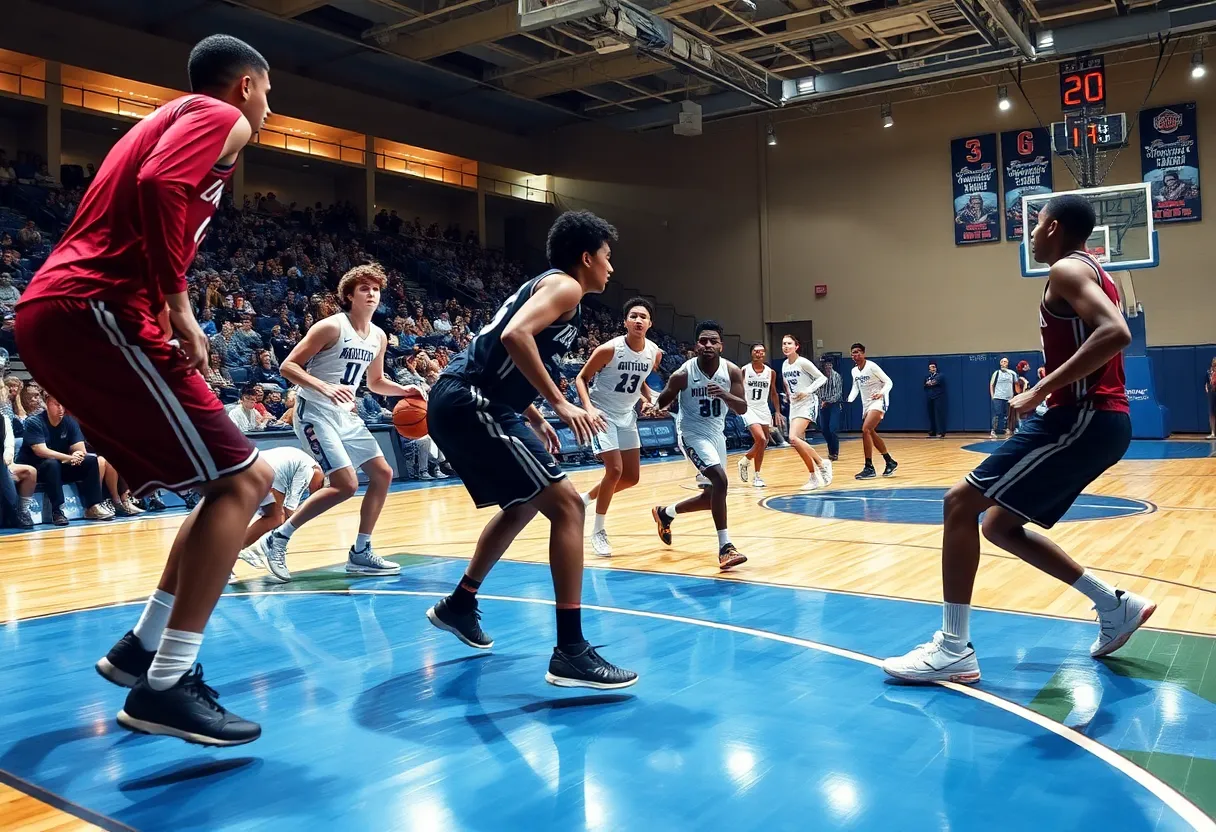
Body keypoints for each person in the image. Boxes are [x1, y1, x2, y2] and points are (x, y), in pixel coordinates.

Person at [19, 34, 274, 746]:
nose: (269, 105)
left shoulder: (164, 118)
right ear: (247, 86)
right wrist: (178, 299)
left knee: (229, 482)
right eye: (269, 90)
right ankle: (166, 685)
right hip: (96, 306)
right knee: (246, 483)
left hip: (66, 310)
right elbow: (163, 186)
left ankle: (143, 648)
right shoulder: (221, 116)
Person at [882, 194, 1154, 684]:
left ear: (1053, 228)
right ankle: (1114, 606)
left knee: (959, 503)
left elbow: (1116, 333)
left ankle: (952, 648)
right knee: (999, 526)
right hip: (1097, 420)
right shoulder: (1093, 271)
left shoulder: (1068, 271)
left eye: (1036, 223)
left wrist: (1041, 389)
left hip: (1083, 417)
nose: (1031, 232)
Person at [424, 210, 638, 689]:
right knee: (567, 507)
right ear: (587, 257)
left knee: (522, 505)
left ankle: (460, 604)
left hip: (474, 400)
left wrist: (532, 413)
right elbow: (512, 336)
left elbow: (511, 353)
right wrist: (559, 404)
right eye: (607, 257)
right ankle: (570, 650)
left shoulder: (555, 288)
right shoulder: (565, 287)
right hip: (470, 400)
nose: (611, 267)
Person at [241, 264, 424, 581]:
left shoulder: (378, 336)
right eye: (364, 288)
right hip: (314, 411)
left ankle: (361, 552)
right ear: (349, 295)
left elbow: (376, 381)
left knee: (382, 473)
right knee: (345, 485)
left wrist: (402, 390)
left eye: (376, 289)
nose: (371, 294)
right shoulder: (330, 327)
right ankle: (275, 540)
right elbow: (288, 366)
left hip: (345, 413)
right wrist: (324, 386)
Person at [652, 321, 748, 570]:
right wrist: (655, 404)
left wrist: (724, 394)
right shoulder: (683, 373)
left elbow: (742, 408)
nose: (707, 345)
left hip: (717, 435)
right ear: (696, 345)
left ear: (721, 345)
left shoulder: (732, 372)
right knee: (721, 481)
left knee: (710, 497)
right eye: (703, 341)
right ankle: (725, 547)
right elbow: (662, 401)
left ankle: (666, 513)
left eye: (712, 341)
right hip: (691, 434)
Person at [575, 297, 662, 557]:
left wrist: (649, 398)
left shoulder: (653, 352)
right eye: (633, 316)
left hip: (627, 415)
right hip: (603, 414)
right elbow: (581, 378)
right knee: (614, 471)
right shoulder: (609, 349)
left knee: (631, 477)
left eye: (643, 317)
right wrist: (589, 409)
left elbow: (640, 381)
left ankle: (584, 500)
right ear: (625, 321)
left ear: (650, 323)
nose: (638, 320)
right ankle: (598, 531)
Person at [16, 393, 114, 523]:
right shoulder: (34, 422)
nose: (61, 408)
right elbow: (41, 451)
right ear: (47, 404)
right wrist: (68, 458)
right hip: (37, 468)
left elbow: (81, 449)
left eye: (63, 404)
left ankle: (92, 506)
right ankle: (57, 511)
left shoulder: (70, 421)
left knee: (90, 461)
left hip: (60, 466)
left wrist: (76, 455)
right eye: (57, 404)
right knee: (52, 463)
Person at [232, 445, 322, 580]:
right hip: (264, 472)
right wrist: (282, 538)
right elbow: (290, 511)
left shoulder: (302, 461)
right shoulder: (309, 471)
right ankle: (254, 548)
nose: (316, 491)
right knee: (276, 518)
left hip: (252, 466)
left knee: (270, 518)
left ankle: (235, 554)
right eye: (321, 487)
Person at [781, 335, 831, 490]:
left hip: (808, 402)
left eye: (789, 343)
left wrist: (807, 390)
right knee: (797, 443)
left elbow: (822, 378)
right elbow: (787, 383)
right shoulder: (784, 365)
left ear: (796, 346)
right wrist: (789, 395)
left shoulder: (802, 362)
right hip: (795, 404)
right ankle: (813, 477)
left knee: (793, 437)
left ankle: (823, 464)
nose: (786, 346)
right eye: (783, 344)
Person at [737, 343, 784, 489]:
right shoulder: (744, 370)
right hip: (749, 407)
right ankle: (745, 461)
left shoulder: (771, 372)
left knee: (763, 444)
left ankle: (756, 474)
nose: (760, 354)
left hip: (763, 408)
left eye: (762, 352)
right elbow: (736, 388)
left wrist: (777, 411)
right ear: (751, 353)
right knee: (761, 439)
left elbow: (774, 393)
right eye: (756, 351)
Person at [847, 343, 896, 479]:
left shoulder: (872, 366)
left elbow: (889, 382)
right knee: (871, 432)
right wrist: (849, 399)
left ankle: (869, 467)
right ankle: (889, 461)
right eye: (853, 353)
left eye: (858, 352)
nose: (855, 355)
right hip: (866, 404)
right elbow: (855, 388)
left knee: (866, 429)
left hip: (879, 401)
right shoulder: (854, 371)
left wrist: (881, 393)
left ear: (863, 353)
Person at [818, 358, 843, 461]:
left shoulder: (836, 376)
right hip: (822, 405)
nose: (828, 367)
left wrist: (827, 401)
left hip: (834, 405)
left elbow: (838, 394)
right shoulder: (819, 375)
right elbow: (816, 390)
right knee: (824, 429)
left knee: (832, 428)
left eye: (830, 365)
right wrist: (820, 402)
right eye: (826, 365)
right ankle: (830, 451)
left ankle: (835, 452)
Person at [989, 357, 1018, 438]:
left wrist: (1015, 395)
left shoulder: (1012, 373)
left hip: (1009, 397)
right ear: (1000, 363)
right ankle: (994, 430)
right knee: (997, 415)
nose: (1004, 363)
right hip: (998, 397)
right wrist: (993, 396)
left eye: (1006, 361)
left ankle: (1006, 429)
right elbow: (991, 385)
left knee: (1007, 415)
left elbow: (1016, 384)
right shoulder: (996, 373)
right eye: (1003, 361)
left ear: (1008, 363)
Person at [925, 362, 946, 438]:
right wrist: (929, 383)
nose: (932, 368)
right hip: (930, 397)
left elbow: (932, 383)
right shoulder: (927, 376)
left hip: (938, 397)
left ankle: (940, 432)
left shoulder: (940, 376)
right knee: (931, 415)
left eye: (934, 367)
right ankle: (932, 431)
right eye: (931, 367)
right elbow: (926, 384)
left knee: (938, 415)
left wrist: (930, 383)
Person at [1205, 357, 1216, 439]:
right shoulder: (1209, 372)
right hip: (1211, 393)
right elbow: (1206, 382)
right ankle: (1213, 433)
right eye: (1213, 364)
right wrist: (1207, 388)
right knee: (1211, 412)